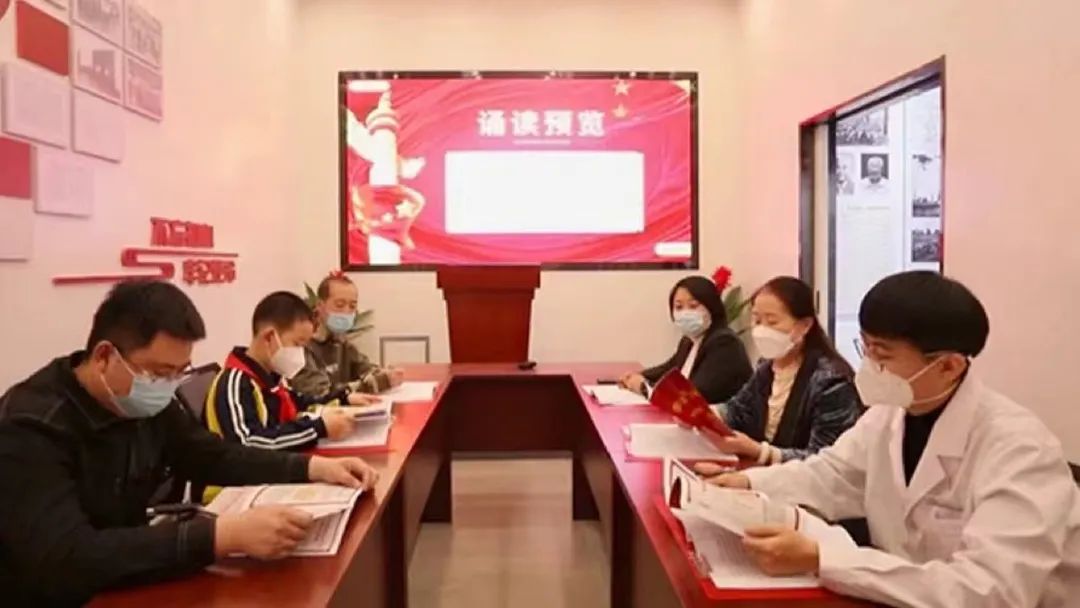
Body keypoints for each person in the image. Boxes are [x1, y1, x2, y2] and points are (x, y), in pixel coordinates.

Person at [699, 272, 1079, 607]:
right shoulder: (889, 416)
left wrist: (824, 559)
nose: (869, 367)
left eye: (883, 355)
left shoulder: (1019, 449)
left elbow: (991, 592)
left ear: (949, 366)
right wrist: (746, 483)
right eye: (866, 348)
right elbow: (831, 474)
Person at [0, 280, 380, 605]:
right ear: (104, 356)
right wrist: (222, 536)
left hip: (129, 582)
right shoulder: (30, 426)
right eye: (160, 372)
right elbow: (68, 558)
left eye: (179, 373)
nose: (167, 385)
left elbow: (210, 456)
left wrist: (312, 468)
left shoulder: (143, 398)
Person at [711, 276, 862, 464]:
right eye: (757, 320)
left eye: (772, 322)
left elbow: (827, 460)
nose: (762, 330)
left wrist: (759, 451)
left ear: (804, 326)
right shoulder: (766, 368)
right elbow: (738, 410)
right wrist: (703, 413)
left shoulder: (831, 380)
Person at [206, 291, 377, 451]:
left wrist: (344, 399)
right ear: (269, 337)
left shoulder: (272, 378)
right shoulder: (235, 383)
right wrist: (318, 429)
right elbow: (247, 445)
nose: (300, 354)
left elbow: (300, 402)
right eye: (297, 344)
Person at [620, 275, 752, 404]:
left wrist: (644, 387)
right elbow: (670, 369)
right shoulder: (689, 340)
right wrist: (638, 375)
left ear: (712, 307)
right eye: (678, 307)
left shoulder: (724, 343)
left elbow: (693, 397)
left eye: (693, 306)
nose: (685, 313)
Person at [292, 272, 403, 399]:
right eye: (339, 305)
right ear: (320, 306)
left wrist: (384, 373)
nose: (346, 312)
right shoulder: (302, 345)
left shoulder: (340, 340)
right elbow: (320, 393)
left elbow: (364, 367)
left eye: (352, 306)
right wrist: (375, 384)